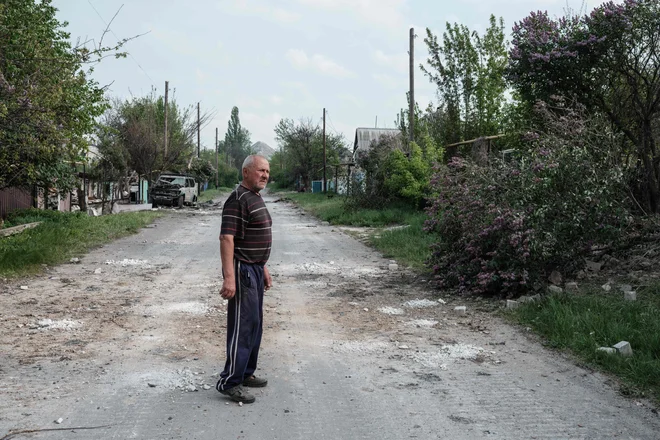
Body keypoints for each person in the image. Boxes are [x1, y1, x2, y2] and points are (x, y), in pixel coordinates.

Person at [216, 155, 273, 404]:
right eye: (260, 170)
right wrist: (230, 277)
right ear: (246, 171)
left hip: (255, 269)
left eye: (267, 171)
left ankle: (246, 373)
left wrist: (264, 267)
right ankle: (230, 381)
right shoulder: (237, 200)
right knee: (242, 327)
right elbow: (227, 238)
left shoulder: (255, 197)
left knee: (254, 324)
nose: (265, 175)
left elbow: (254, 236)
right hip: (243, 271)